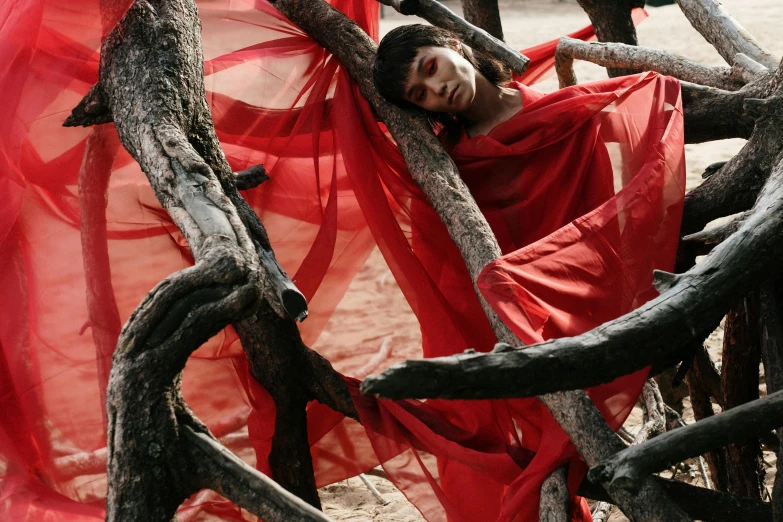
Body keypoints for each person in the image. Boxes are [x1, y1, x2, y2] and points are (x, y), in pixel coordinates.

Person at [0, 1, 682, 521]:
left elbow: (620, 146)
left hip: (566, 289)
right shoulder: (445, 154)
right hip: (501, 299)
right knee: (506, 427)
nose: (433, 88)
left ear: (451, 46)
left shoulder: (558, 107)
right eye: (416, 92)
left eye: (430, 68)